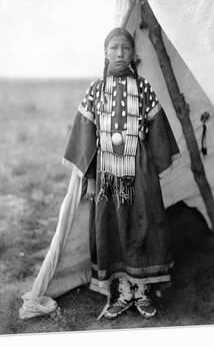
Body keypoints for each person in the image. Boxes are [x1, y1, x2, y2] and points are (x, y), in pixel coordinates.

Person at [63, 27, 179, 320]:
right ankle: (122, 290)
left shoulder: (143, 89)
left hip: (138, 169)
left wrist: (151, 171)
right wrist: (89, 178)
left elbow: (159, 133)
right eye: (114, 48)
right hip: (106, 172)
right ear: (105, 52)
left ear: (133, 55)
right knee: (111, 225)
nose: (119, 53)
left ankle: (143, 292)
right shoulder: (95, 90)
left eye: (125, 49)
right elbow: (85, 135)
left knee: (144, 222)